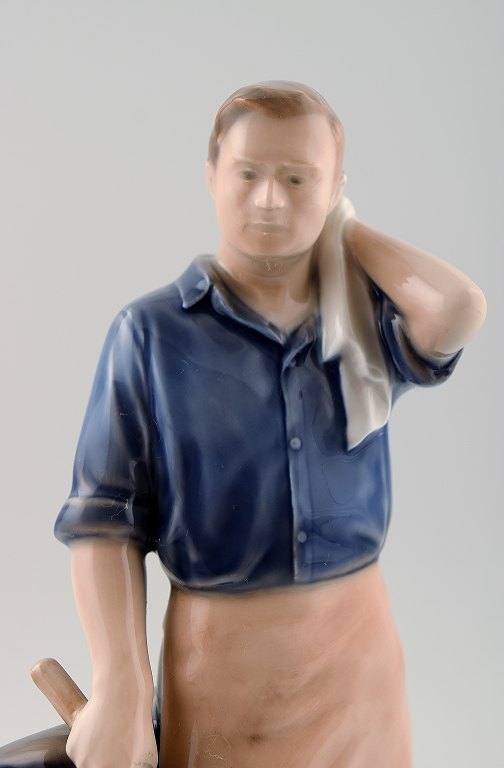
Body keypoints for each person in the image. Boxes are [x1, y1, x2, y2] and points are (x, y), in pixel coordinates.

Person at [3, 81, 486, 768]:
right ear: (211, 175)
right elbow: (105, 523)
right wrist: (121, 686)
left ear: (336, 189)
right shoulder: (152, 335)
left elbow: (457, 308)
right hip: (223, 671)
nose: (269, 199)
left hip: (359, 664)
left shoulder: (360, 330)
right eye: (248, 173)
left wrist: (344, 230)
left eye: (297, 179)